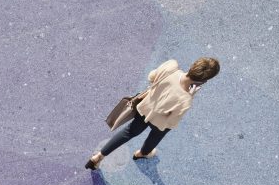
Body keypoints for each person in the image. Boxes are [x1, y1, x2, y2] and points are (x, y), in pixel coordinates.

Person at [85, 57, 220, 169]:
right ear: (202, 81)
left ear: (193, 65)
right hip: (159, 122)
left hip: (145, 108)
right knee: (155, 136)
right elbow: (172, 122)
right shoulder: (185, 100)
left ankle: (98, 157)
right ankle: (142, 153)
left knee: (129, 132)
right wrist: (190, 96)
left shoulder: (171, 66)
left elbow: (152, 77)